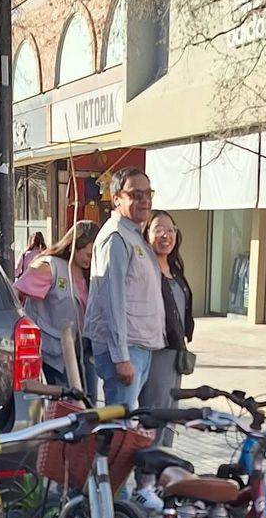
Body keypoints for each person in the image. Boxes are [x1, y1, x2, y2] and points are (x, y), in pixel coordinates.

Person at [83, 167, 165, 410]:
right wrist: (121, 357)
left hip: (139, 346)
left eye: (148, 194)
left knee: (131, 422)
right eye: (136, 195)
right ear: (117, 198)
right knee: (120, 423)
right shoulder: (116, 237)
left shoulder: (134, 235)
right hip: (124, 349)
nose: (145, 200)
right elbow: (112, 301)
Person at [14, 220, 99, 400]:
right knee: (64, 401)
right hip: (50, 351)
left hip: (80, 349)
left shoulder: (90, 274)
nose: (90, 260)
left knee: (88, 400)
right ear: (75, 246)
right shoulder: (50, 266)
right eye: (88, 254)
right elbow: (16, 293)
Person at [139, 212, 195, 445]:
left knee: (171, 407)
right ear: (147, 234)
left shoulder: (174, 268)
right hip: (156, 348)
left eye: (170, 229)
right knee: (156, 407)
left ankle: (164, 455)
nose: (166, 235)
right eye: (158, 229)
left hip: (175, 349)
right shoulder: (146, 267)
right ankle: (151, 457)